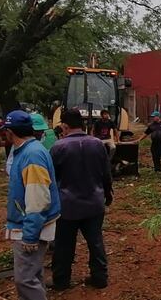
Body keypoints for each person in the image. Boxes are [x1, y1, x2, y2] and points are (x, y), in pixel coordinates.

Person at [50, 109, 113, 290]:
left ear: (65, 125)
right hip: (94, 203)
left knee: (64, 245)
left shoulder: (58, 147)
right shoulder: (98, 144)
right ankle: (100, 278)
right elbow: (106, 174)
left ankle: (61, 281)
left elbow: (52, 179)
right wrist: (107, 195)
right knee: (95, 241)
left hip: (68, 206)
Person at [2, 110, 61, 300]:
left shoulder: (32, 155)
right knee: (33, 274)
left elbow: (38, 199)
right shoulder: (28, 150)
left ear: (10, 132)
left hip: (30, 226)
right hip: (29, 222)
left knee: (25, 279)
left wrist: (29, 235)